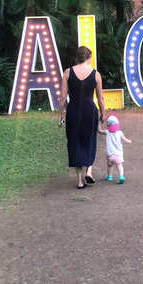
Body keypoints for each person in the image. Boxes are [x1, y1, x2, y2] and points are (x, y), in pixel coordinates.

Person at [58, 46, 106, 189]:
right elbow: (100, 98)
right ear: (89, 57)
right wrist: (103, 113)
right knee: (89, 140)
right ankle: (89, 172)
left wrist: (61, 115)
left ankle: (79, 181)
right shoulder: (96, 74)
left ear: (77, 57)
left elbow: (62, 98)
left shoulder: (67, 72)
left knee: (74, 142)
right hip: (89, 111)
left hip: (73, 110)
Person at [98, 114, 131, 184]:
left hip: (110, 154)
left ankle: (109, 176)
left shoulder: (107, 132)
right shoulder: (119, 133)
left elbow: (99, 131)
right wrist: (129, 141)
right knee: (119, 165)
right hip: (118, 154)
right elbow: (124, 140)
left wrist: (99, 123)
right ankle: (121, 176)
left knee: (109, 165)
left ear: (108, 125)